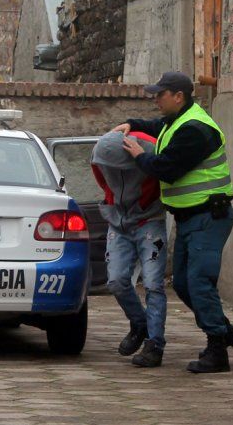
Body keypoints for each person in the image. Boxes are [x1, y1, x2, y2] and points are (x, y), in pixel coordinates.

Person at [114, 71, 233, 373]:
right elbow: (157, 126)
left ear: (178, 96)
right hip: (190, 219)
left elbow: (167, 168)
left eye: (160, 95)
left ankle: (217, 350)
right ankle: (224, 330)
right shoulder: (177, 121)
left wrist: (138, 156)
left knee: (198, 282)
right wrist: (133, 124)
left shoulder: (195, 129)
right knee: (184, 284)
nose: (155, 99)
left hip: (209, 217)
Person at [91, 130, 168, 367]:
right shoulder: (99, 158)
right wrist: (113, 205)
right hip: (119, 223)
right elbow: (105, 184)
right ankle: (140, 323)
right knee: (116, 281)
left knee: (154, 282)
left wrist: (145, 206)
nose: (114, 173)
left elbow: (162, 177)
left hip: (150, 222)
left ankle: (155, 343)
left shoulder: (152, 152)